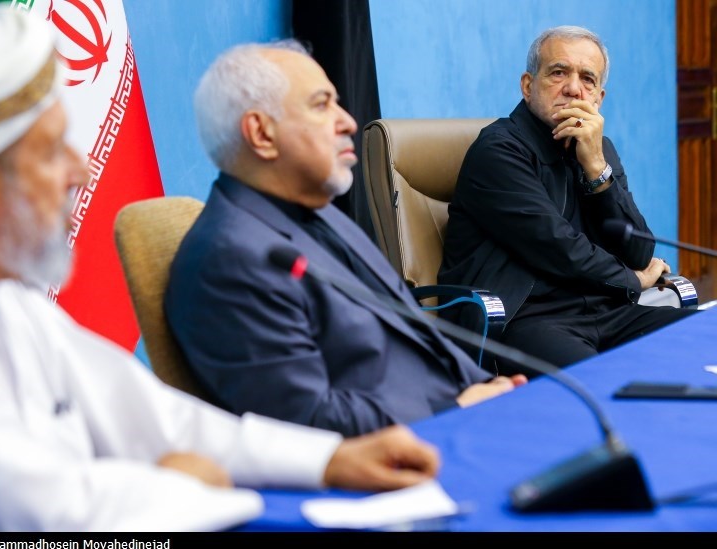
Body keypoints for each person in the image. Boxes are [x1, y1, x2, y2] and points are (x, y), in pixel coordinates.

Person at [0, 6, 445, 532]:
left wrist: (328, 461)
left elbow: (168, 422)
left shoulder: (14, 304)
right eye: (53, 152)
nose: (81, 171)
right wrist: (194, 482)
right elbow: (45, 517)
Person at [164, 40, 526, 438]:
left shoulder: (318, 210)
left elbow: (416, 337)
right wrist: (454, 411)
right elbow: (305, 421)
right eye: (322, 105)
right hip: (411, 452)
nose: (349, 122)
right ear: (261, 133)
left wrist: (488, 387)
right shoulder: (230, 260)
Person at [437, 26, 693, 377]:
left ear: (599, 98)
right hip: (526, 319)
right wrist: (634, 281)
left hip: (605, 313)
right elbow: (557, 246)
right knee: (602, 382)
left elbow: (638, 250)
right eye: (558, 72)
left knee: (703, 339)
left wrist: (596, 169)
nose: (574, 88)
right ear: (528, 86)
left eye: (587, 79)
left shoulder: (599, 150)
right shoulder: (498, 150)